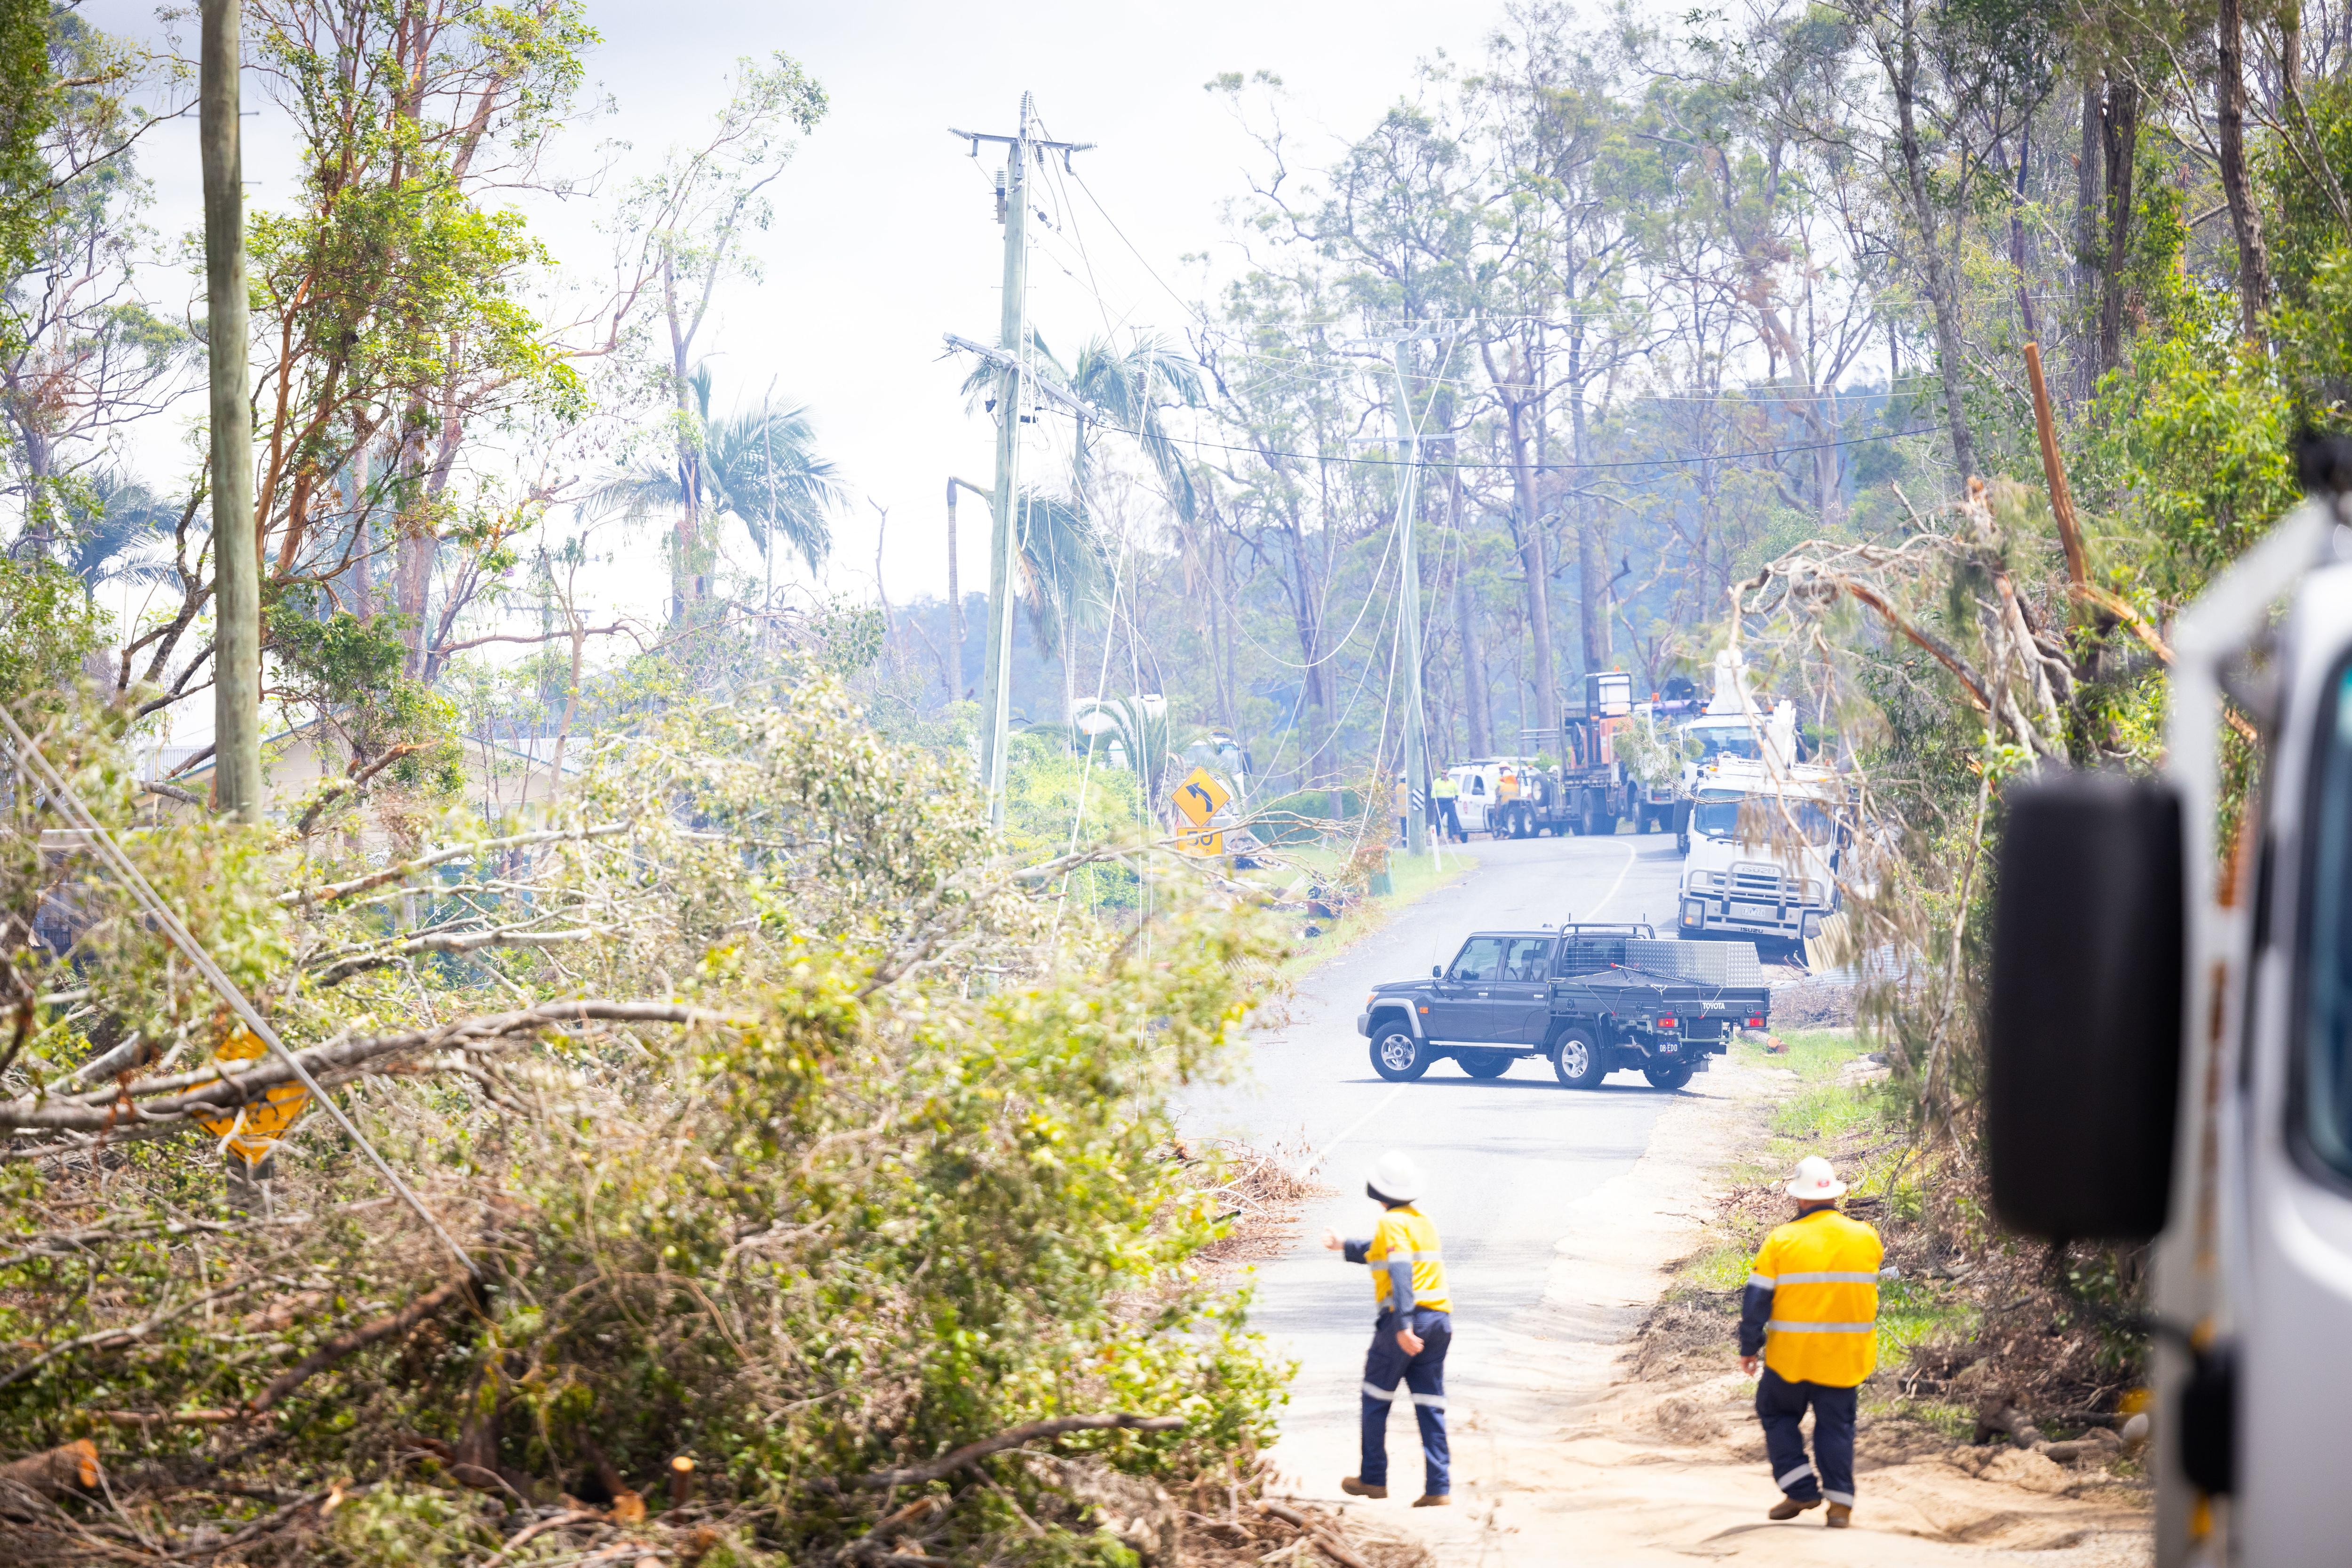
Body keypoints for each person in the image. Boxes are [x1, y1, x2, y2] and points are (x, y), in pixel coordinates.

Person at [1738, 1155, 1883, 1529]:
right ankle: (1840, 1507)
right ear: (1836, 1195)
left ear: (1800, 1199)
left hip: (1792, 1359)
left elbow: (1756, 1302)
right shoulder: (1866, 1236)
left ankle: (1800, 1487)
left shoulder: (1782, 1240)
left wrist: (1749, 1347)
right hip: (1845, 1358)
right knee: (1836, 1427)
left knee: (1777, 1414)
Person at [1321, 1150, 1451, 1507]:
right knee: (1430, 1403)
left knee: (1376, 1398)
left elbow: (1400, 1272)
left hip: (1406, 1321)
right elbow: (1381, 1252)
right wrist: (1344, 1245)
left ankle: (1374, 1479)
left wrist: (1403, 1325)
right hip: (1440, 1322)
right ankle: (1439, 1488)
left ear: (1375, 1190)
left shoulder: (1389, 1224)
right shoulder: (1421, 1221)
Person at [1431, 772, 1464, 843]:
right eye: (1442, 773)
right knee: (1438, 820)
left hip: (1450, 802)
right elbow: (1433, 792)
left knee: (1454, 820)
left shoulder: (1452, 781)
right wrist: (1435, 802)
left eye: (1445, 773)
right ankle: (1436, 838)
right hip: (1440, 803)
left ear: (1447, 774)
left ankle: (1456, 838)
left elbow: (1457, 791)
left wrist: (1456, 800)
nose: (1443, 775)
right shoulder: (1437, 782)